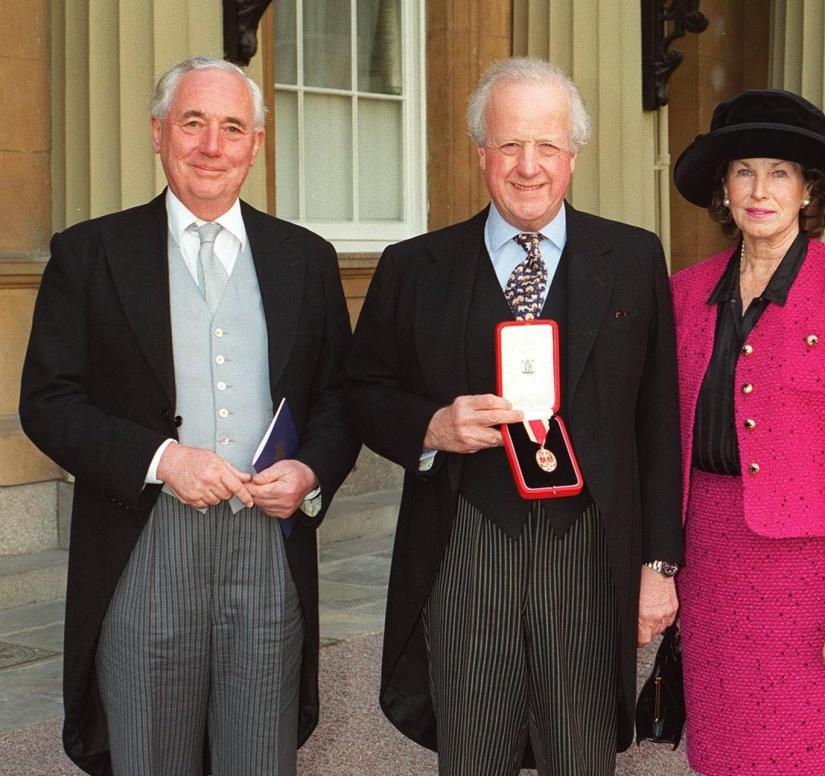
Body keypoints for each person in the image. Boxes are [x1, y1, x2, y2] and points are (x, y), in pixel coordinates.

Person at [19, 56, 359, 776]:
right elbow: (48, 401)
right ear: (157, 133)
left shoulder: (307, 258)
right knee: (148, 754)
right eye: (193, 123)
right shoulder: (90, 254)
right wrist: (161, 461)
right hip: (145, 543)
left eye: (231, 127)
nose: (211, 146)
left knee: (261, 757)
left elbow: (339, 398)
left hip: (268, 546)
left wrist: (308, 470)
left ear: (256, 145)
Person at [346, 57, 682, 775]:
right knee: (472, 755)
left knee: (583, 756)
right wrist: (432, 426)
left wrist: (660, 565)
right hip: (468, 542)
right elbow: (361, 390)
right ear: (481, 154)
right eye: (509, 145)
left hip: (590, 547)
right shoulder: (414, 267)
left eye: (547, 147)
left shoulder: (632, 257)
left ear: (573, 156)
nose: (528, 166)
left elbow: (660, 421)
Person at [668, 89, 825, 775]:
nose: (760, 189)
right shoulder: (684, 292)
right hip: (712, 564)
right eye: (744, 170)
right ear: (723, 186)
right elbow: (659, 444)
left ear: (810, 190)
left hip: (814, 575)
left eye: (780, 172)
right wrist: (658, 566)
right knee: (729, 754)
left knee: (819, 752)